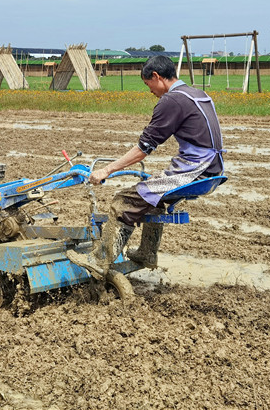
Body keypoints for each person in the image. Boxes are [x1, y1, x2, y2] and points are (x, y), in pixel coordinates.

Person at [67, 55, 224, 276]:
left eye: (147, 83)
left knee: (122, 201)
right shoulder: (197, 94)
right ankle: (147, 252)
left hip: (195, 171)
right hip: (214, 170)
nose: (149, 90)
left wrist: (106, 169)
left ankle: (100, 260)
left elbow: (143, 149)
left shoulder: (172, 100)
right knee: (151, 195)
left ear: (157, 77)